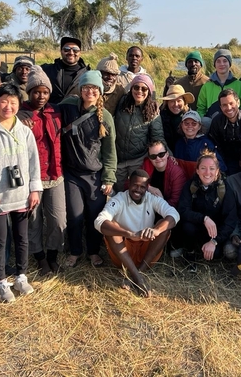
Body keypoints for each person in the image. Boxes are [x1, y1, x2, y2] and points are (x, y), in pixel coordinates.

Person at [0, 84, 42, 302]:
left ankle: (21, 276)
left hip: (22, 195)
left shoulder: (25, 131)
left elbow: (34, 161)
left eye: (13, 102)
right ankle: (1, 280)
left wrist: (34, 189)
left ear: (19, 104)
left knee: (22, 238)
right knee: (0, 240)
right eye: (4, 101)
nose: (8, 106)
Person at [59, 70, 117, 268]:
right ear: (80, 89)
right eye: (86, 87)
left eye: (94, 88)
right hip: (72, 174)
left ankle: (93, 251)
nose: (89, 91)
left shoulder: (105, 117)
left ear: (100, 91)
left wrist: (109, 178)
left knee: (94, 216)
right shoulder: (67, 107)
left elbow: (110, 151)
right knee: (74, 216)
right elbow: (46, 112)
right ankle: (75, 251)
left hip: (95, 176)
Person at [95, 169, 179, 297]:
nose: (138, 190)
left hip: (146, 254)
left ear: (147, 187)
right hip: (123, 255)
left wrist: (156, 230)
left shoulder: (152, 199)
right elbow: (99, 221)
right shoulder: (119, 199)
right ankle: (138, 278)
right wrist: (130, 234)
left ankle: (139, 273)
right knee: (111, 228)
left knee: (164, 225)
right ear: (129, 183)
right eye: (135, 185)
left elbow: (174, 214)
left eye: (142, 187)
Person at [21, 66, 65, 274]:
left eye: (45, 92)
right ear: (29, 92)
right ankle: (39, 257)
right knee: (34, 220)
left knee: (58, 219)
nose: (41, 96)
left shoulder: (56, 111)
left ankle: (53, 254)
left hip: (56, 175)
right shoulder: (19, 113)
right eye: (36, 91)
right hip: (32, 177)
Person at [176, 150, 237, 262]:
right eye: (203, 168)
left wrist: (215, 241)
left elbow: (230, 221)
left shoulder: (224, 189)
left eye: (212, 168)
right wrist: (204, 218)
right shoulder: (191, 186)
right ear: (197, 170)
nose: (207, 172)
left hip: (215, 233)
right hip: (196, 228)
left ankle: (209, 247)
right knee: (187, 227)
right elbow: (183, 210)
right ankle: (190, 253)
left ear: (217, 171)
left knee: (216, 256)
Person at [113, 74, 165, 192]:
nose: (139, 91)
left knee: (137, 192)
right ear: (131, 88)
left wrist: (168, 154)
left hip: (138, 160)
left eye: (144, 88)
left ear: (149, 91)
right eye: (136, 87)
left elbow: (157, 136)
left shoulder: (152, 109)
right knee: (118, 194)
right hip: (118, 160)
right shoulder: (122, 101)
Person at [174, 110, 226, 177]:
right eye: (186, 123)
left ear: (199, 126)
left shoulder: (207, 143)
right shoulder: (179, 144)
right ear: (181, 125)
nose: (190, 126)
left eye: (194, 123)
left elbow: (220, 166)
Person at [197, 49, 241, 118]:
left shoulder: (240, 85)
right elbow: (201, 109)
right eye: (218, 61)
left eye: (225, 61)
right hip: (212, 124)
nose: (222, 64)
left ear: (230, 63)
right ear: (215, 64)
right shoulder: (207, 86)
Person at [42, 37, 89, 103]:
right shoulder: (47, 69)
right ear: (61, 51)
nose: (71, 53)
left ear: (80, 52)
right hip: (51, 111)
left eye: (75, 50)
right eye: (66, 49)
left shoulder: (87, 74)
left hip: (76, 112)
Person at [141, 141, 187, 208]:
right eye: (153, 156)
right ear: (149, 158)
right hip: (146, 205)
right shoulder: (146, 164)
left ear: (167, 154)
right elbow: (131, 182)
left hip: (166, 208)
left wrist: (157, 208)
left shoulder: (176, 172)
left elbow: (175, 201)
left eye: (161, 154)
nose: (158, 158)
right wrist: (148, 187)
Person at [158, 84, 195, 153]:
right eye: (172, 101)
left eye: (179, 100)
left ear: (184, 102)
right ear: (167, 103)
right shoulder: (160, 117)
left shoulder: (192, 117)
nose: (176, 104)